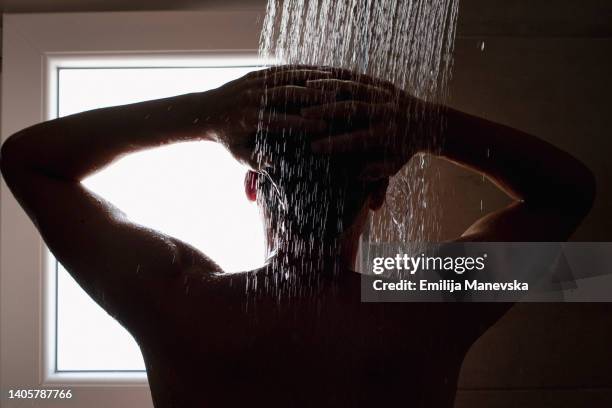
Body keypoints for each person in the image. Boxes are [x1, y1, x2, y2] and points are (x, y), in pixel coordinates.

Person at [0, 65, 595, 407]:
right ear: (381, 190)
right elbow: (568, 191)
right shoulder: (427, 303)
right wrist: (428, 124)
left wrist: (205, 111)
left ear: (254, 188)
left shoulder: (180, 301)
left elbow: (28, 160)